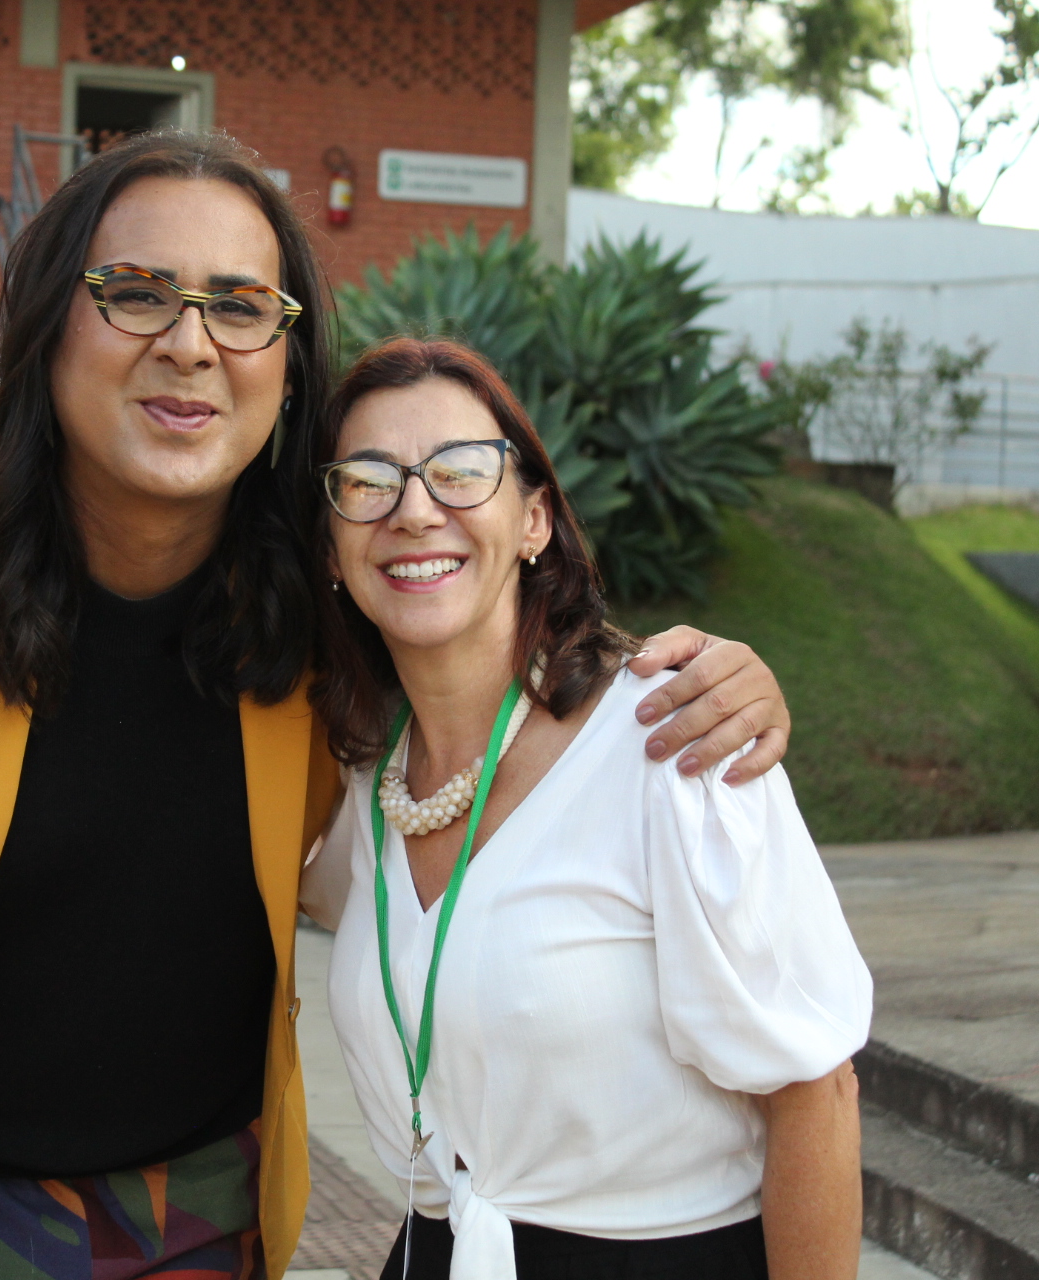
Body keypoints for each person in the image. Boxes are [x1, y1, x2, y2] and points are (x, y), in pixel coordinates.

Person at [0, 131, 798, 1280]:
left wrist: (708, 677)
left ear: (286, 363)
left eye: (239, 307)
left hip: (211, 1218)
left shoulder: (320, 590)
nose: (190, 345)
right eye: (136, 292)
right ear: (46, 325)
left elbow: (494, 675)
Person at [301, 338, 872, 1280]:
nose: (415, 509)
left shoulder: (672, 741)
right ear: (331, 547)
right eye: (367, 481)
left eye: (460, 470)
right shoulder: (367, 777)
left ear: (533, 520)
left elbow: (815, 1091)